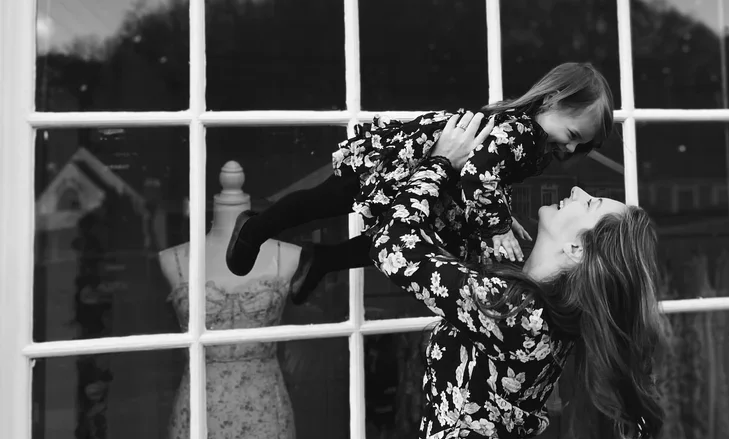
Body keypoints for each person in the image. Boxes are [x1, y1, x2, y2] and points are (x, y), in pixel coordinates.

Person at [374, 112, 665, 439]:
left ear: (577, 250)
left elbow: (395, 247)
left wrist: (441, 163)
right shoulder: (531, 306)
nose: (577, 190)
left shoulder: (516, 315)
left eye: (590, 203)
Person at [224, 62, 614, 303]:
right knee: (328, 199)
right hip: (410, 160)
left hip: (441, 181)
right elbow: (479, 173)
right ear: (552, 100)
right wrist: (495, 225)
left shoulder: (536, 144)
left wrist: (502, 212)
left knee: (411, 239)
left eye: (580, 145)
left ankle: (322, 259)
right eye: (573, 135)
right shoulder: (522, 132)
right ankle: (254, 228)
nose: (570, 148)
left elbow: (491, 176)